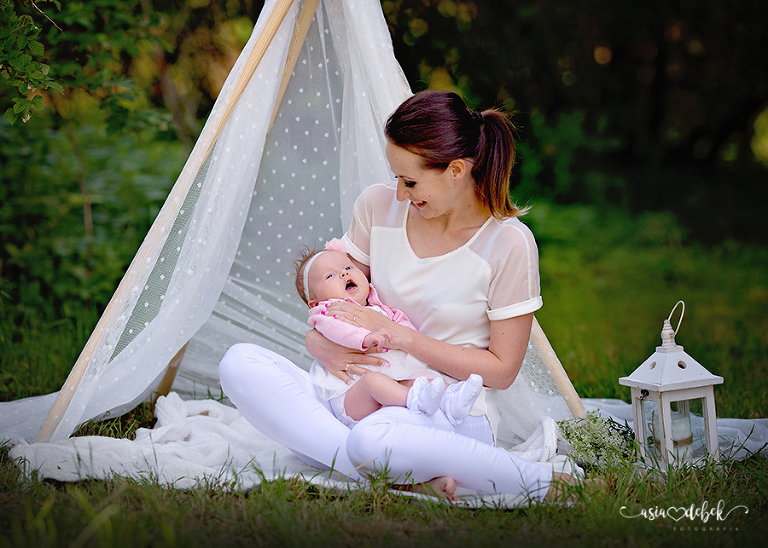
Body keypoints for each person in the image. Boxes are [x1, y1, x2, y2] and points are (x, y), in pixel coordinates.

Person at [219, 89, 583, 502]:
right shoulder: (376, 207)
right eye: (395, 178)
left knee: (373, 440)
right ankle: (394, 471)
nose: (399, 194)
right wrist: (318, 343)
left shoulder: (508, 244)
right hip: (360, 398)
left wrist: (401, 337)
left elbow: (501, 371)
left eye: (409, 181)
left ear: (457, 170)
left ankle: (534, 481)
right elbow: (337, 299)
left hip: (449, 409)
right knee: (240, 364)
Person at [294, 241, 485, 429]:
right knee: (374, 383)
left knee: (425, 376)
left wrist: (401, 333)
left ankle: (451, 401)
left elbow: (402, 324)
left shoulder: (378, 307)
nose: (344, 273)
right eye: (329, 276)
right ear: (314, 302)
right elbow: (337, 331)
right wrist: (364, 339)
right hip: (353, 394)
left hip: (395, 381)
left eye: (347, 267)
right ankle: (415, 400)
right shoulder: (328, 311)